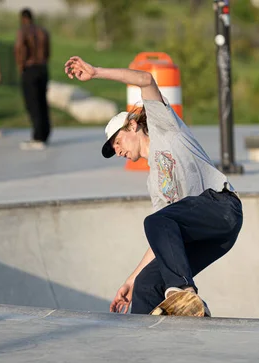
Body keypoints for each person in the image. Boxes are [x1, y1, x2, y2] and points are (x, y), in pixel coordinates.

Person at [64, 56, 244, 316]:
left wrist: (96, 72)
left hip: (222, 208)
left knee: (155, 221)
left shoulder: (164, 126)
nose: (117, 151)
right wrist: (131, 278)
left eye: (117, 142)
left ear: (133, 126)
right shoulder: (154, 183)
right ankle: (151, 343)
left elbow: (145, 79)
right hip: (207, 237)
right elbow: (163, 238)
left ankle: (182, 291)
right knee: (146, 285)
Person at [14, 8, 51, 151]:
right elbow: (47, 52)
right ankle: (45, 134)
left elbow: (20, 49)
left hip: (30, 69)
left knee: (32, 104)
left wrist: (20, 66)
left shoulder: (23, 31)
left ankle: (37, 137)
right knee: (42, 102)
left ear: (23, 19)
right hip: (43, 68)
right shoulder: (43, 31)